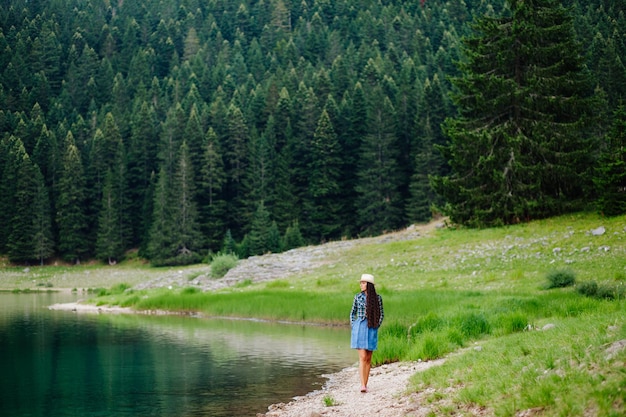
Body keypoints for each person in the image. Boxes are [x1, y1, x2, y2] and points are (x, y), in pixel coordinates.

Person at [350, 273, 384, 393]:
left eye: (363, 283)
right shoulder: (357, 297)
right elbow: (352, 313)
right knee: (363, 356)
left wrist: (376, 326)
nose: (361, 285)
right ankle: (362, 385)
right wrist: (354, 325)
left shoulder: (377, 298)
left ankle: (365, 384)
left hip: (371, 327)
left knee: (369, 358)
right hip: (359, 327)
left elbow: (381, 314)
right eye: (361, 282)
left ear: (369, 285)